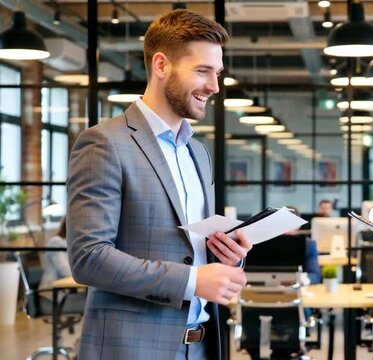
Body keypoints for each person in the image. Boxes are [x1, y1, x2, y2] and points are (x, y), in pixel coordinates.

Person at [67, 10, 252, 360]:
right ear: (161, 65)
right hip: (131, 349)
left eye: (218, 73)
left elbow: (189, 249)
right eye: (202, 71)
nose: (214, 86)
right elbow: (88, 258)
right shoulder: (104, 143)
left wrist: (228, 256)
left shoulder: (198, 152)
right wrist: (193, 281)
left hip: (200, 346)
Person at [39, 217, 71, 291]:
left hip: (67, 292)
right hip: (51, 293)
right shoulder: (56, 241)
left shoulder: (74, 244)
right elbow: (65, 271)